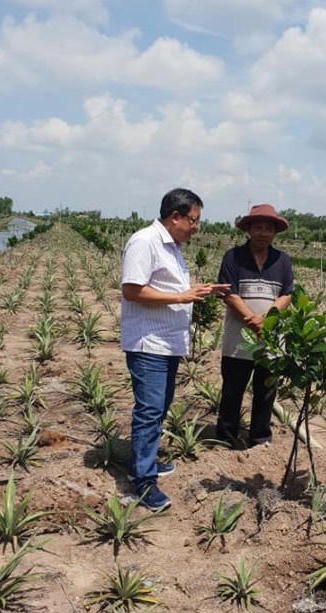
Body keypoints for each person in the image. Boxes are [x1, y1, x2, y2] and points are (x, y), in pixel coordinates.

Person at [121, 188, 229, 511]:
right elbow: (132, 290)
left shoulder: (172, 248)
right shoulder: (145, 242)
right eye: (193, 221)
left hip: (167, 343)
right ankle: (143, 482)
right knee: (150, 410)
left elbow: (169, 288)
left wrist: (197, 291)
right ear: (175, 217)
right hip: (148, 343)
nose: (196, 227)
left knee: (160, 406)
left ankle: (145, 461)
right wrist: (181, 298)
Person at [216, 203, 294, 448]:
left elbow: (287, 294)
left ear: (274, 232)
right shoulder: (233, 257)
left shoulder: (282, 260)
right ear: (249, 229)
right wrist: (252, 319)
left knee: (266, 391)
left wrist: (266, 319)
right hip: (237, 340)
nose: (263, 232)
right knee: (232, 390)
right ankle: (226, 438)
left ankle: (260, 438)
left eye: (268, 228)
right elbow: (229, 294)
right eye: (258, 227)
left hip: (270, 340)